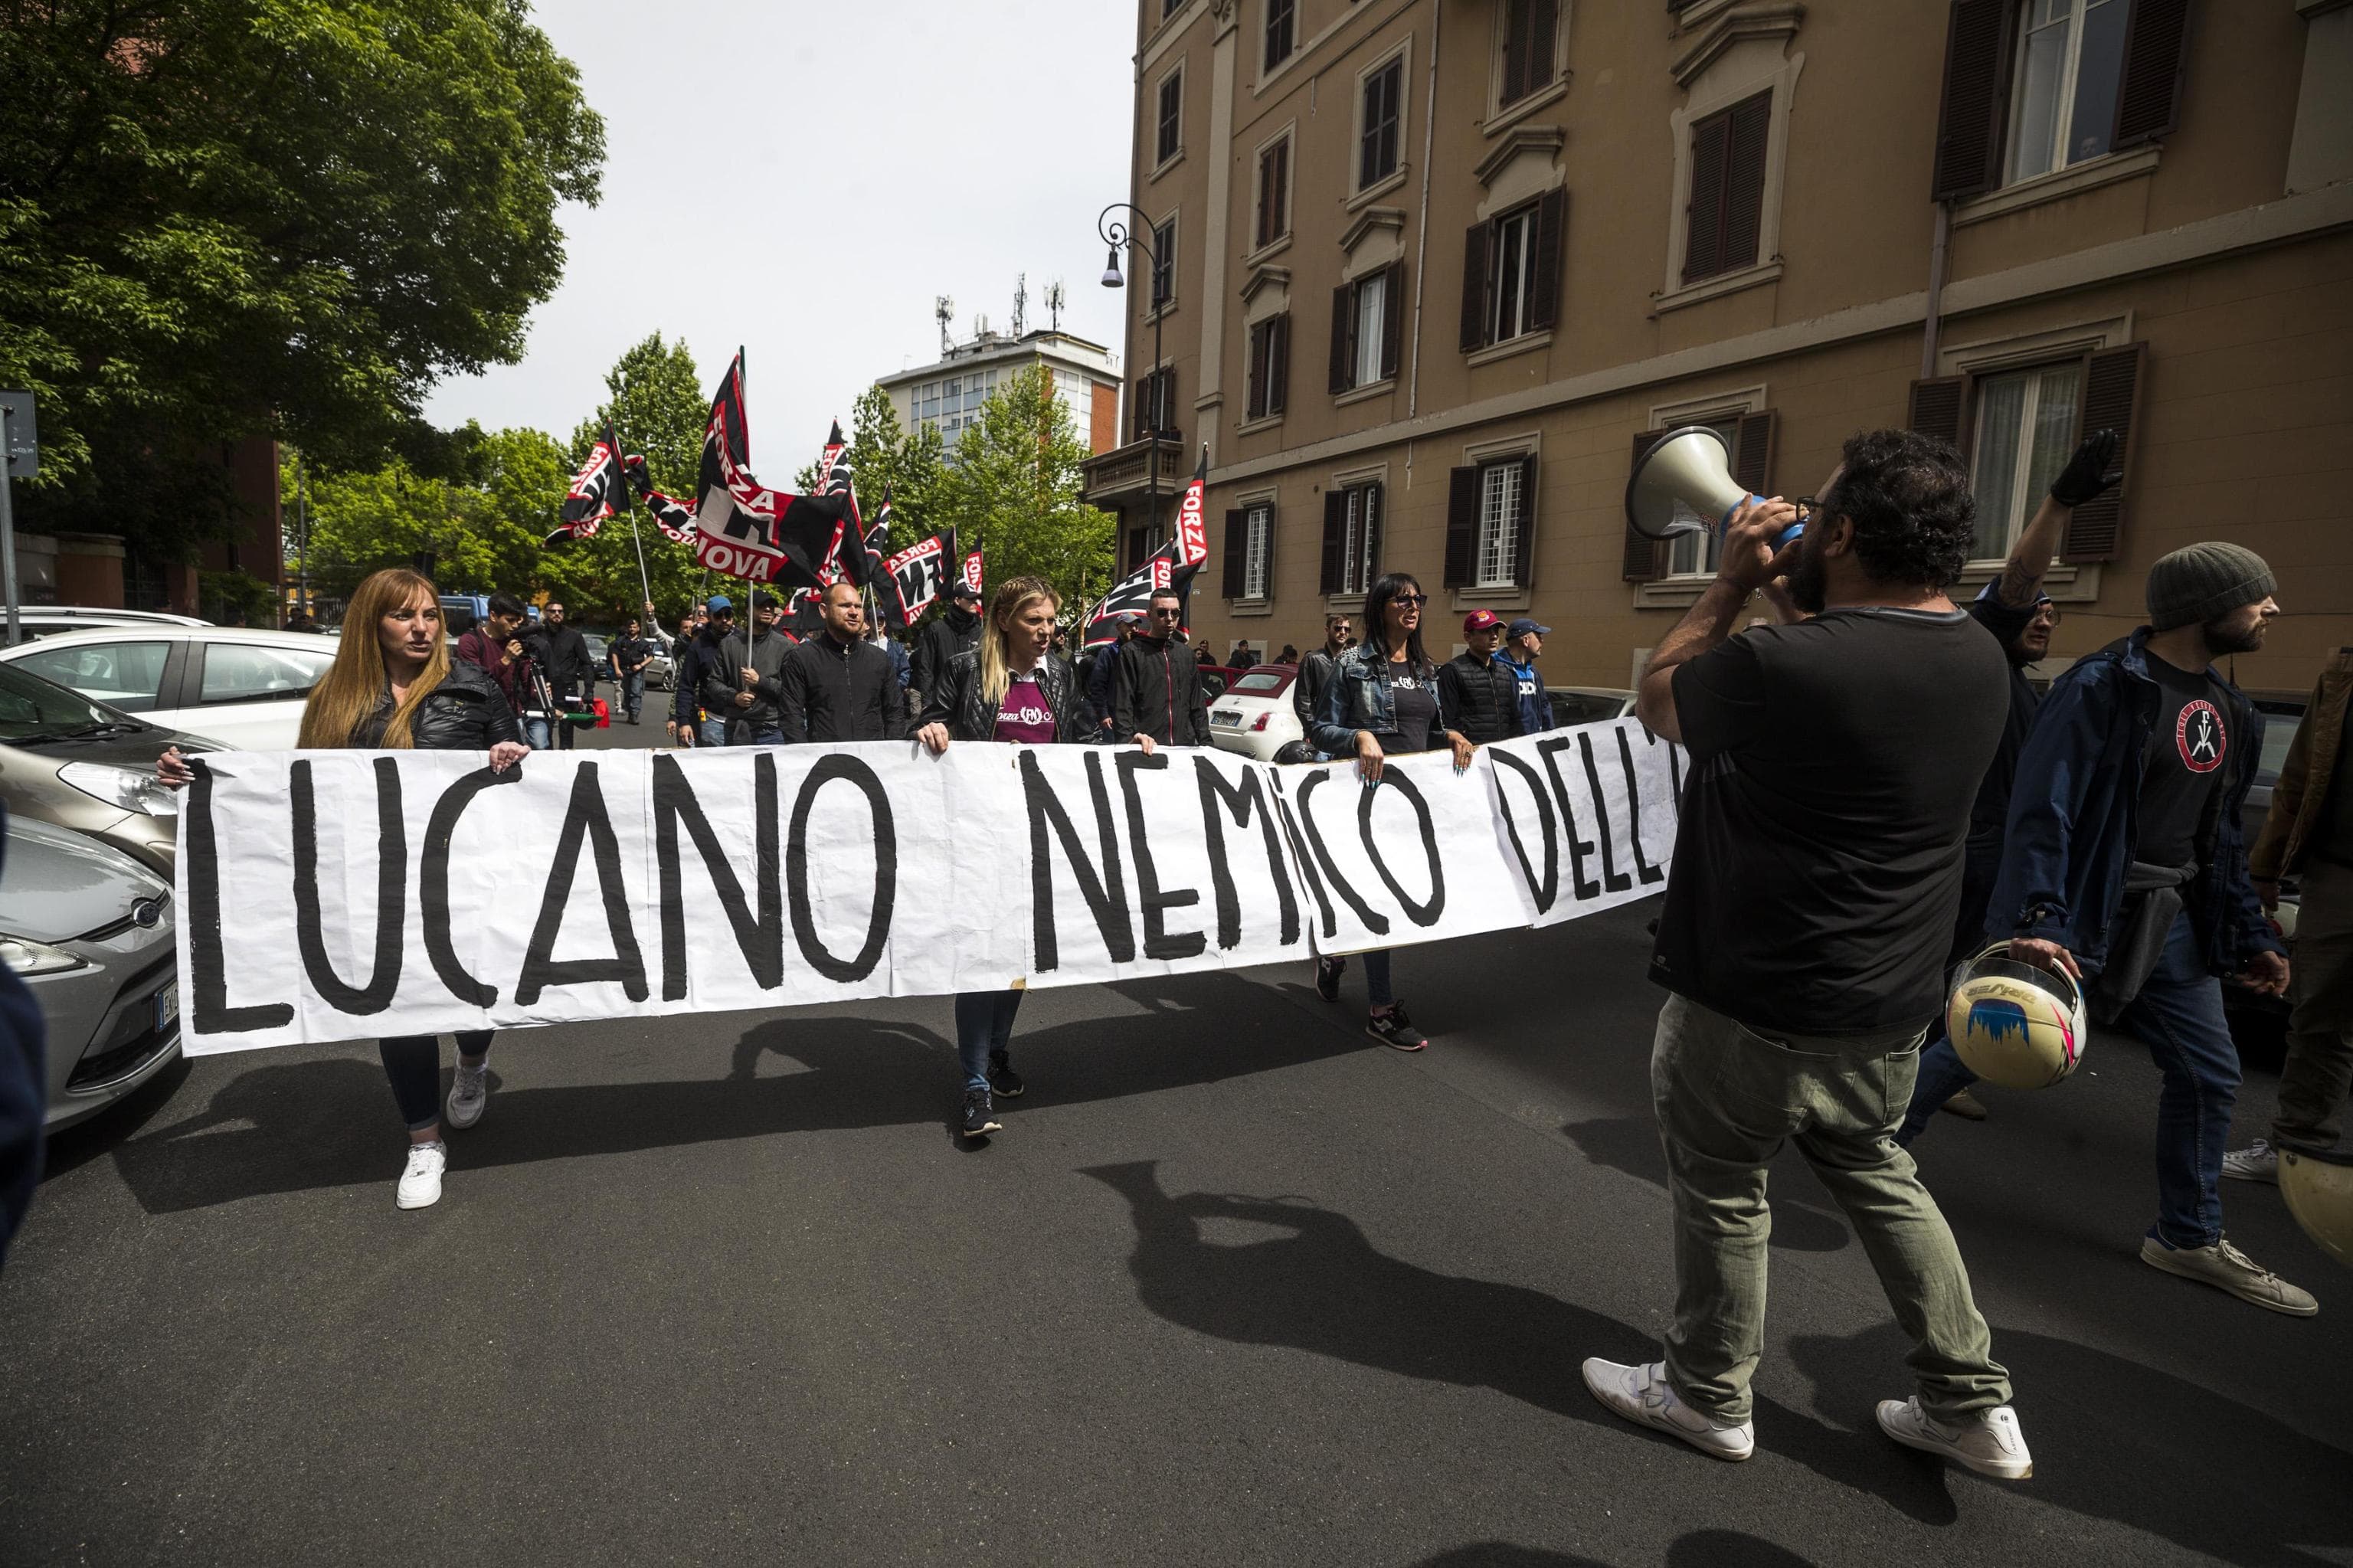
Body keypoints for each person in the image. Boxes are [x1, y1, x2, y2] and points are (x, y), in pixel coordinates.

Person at [1581, 428, 2028, 1479]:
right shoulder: (1978, 657)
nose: (1804, 519)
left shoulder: (1784, 657)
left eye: (1822, 511)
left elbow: (1662, 700)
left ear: (1849, 532)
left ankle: (1705, 1393)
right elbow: (1844, 661)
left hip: (1755, 991)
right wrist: (1793, 591)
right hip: (1890, 1000)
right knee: (1880, 1168)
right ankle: (1973, 1402)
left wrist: (1732, 581)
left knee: (1726, 1183)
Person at [1936, 544, 2309, 1312]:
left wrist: (2252, 938)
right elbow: (2045, 809)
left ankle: (2188, 1236)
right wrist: (2040, 915)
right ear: (2207, 607)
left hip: (2168, 921)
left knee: (2209, 1073)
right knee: (1986, 1046)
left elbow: (2220, 844)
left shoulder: (2230, 708)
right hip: (2079, 909)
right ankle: (1860, 1150)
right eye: (2258, 596)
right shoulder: (2103, 686)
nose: (2272, 609)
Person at [156, 568, 527, 1211]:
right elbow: (299, 788)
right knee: (398, 1003)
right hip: (375, 881)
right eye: (403, 616)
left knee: (472, 997)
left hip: (459, 874)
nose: (421, 628)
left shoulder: (474, 688)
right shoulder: (335, 698)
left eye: (431, 616)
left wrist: (510, 753)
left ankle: (471, 1061)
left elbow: (518, 760)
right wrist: (193, 779)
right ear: (371, 623)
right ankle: (423, 1140)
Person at [1892, 430, 2120, 1128]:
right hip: (1967, 849)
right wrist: (2058, 503)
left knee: (1967, 967)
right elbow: (2019, 579)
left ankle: (1931, 1066)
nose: (2046, 613)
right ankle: (1897, 1084)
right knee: (1931, 967)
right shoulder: (1985, 646)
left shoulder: (2036, 691)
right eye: (2036, 607)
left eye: (2057, 611)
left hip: (2004, 857)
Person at [916, 576, 1155, 1138]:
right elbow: (929, 724)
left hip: (1035, 840)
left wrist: (1128, 746)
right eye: (1034, 621)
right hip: (978, 839)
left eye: (1051, 620)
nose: (1047, 631)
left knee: (1019, 958)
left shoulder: (1063, 675)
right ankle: (974, 1084)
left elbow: (1076, 743)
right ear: (1005, 621)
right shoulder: (965, 669)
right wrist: (928, 729)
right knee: (980, 960)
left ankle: (997, 1052)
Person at [1306, 572, 1476, 1052]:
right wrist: (1358, 737)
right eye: (1402, 599)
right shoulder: (1353, 665)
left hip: (1413, 808)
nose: (1413, 605)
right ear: (1380, 606)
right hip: (1366, 802)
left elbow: (1428, 730)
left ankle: (1335, 956)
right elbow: (1319, 728)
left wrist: (1454, 736)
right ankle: (1381, 1011)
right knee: (1382, 904)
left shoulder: (1427, 668)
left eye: (1418, 598)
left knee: (1393, 903)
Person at [2227, 646, 2353, 1182]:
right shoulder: (2344, 669)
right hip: (2339, 872)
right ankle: (2296, 1150)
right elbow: (2300, 774)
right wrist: (2268, 866)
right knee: (2319, 1018)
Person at [777, 582, 909, 743]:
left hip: (872, 761)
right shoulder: (802, 658)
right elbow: (791, 717)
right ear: (824, 611)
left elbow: (894, 713)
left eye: (858, 606)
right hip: (824, 761)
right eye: (845, 606)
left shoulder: (880, 659)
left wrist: (890, 752)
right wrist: (806, 758)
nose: (854, 612)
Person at [1114, 590, 1212, 748]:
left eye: (1175, 613)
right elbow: (1123, 704)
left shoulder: (1186, 654)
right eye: (1162, 613)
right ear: (1149, 614)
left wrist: (1206, 744)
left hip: (1183, 749)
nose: (1169, 618)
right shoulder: (1131, 652)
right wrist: (1126, 743)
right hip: (1146, 749)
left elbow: (1197, 705)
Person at [701, 593, 792, 745]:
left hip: (772, 729)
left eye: (771, 606)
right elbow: (713, 683)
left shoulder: (786, 647)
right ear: (749, 610)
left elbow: (793, 691)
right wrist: (734, 697)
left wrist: (761, 682)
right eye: (761, 605)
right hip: (736, 727)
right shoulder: (729, 644)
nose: (768, 609)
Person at [1437, 609, 1520, 746]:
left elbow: (1515, 718)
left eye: (1496, 631)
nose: (1494, 636)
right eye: (1486, 631)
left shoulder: (1505, 671)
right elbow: (1446, 722)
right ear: (1468, 637)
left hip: (1503, 754)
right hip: (1469, 757)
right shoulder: (1451, 671)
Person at [454, 591, 532, 722]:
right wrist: (505, 660)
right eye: (510, 620)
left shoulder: (515, 640)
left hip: (511, 713)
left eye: (517, 620)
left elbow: (525, 677)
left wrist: (539, 688)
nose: (515, 626)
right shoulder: (470, 641)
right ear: (493, 616)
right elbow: (475, 682)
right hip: (480, 715)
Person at [675, 597, 736, 748]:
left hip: (743, 722)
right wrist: (683, 721)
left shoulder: (744, 642)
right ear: (710, 618)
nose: (724, 620)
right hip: (713, 720)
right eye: (718, 616)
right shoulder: (698, 647)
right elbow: (685, 686)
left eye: (728, 615)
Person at [911, 581, 983, 709]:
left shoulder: (979, 632)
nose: (975, 603)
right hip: (942, 703)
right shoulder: (937, 629)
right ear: (957, 600)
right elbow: (926, 668)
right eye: (970, 599)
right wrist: (928, 703)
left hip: (971, 705)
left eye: (976, 599)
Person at [537, 600, 596, 750]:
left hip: (568, 689)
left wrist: (589, 690)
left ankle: (565, 764)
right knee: (543, 733)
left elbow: (586, 663)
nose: (557, 614)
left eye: (560, 611)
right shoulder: (538, 635)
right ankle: (547, 761)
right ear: (545, 613)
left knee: (566, 731)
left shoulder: (574, 636)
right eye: (553, 611)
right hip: (544, 688)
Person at [1294, 614, 1353, 753]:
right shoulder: (1312, 659)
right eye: (1338, 628)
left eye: (1347, 629)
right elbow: (1302, 699)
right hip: (1321, 732)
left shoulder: (1353, 661)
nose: (1343, 632)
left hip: (1346, 733)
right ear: (1327, 630)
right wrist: (1312, 729)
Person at [1086, 612, 1144, 735]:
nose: (1134, 629)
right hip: (1114, 719)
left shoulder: (1143, 653)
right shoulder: (1108, 653)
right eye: (1129, 625)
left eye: (1136, 626)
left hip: (1139, 718)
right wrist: (1103, 714)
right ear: (1118, 627)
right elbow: (1098, 686)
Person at [1497, 618, 1553, 737]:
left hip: (1532, 743)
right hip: (1508, 745)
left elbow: (1544, 705)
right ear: (1526, 641)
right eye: (1538, 637)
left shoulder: (1534, 673)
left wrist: (1550, 734)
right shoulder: (1496, 670)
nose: (1542, 641)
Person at [608, 617, 653, 725]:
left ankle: (634, 715)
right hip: (625, 670)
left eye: (634, 627)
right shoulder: (621, 641)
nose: (632, 629)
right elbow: (614, 654)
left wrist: (641, 665)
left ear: (638, 628)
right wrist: (617, 669)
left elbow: (651, 656)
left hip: (637, 671)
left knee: (636, 692)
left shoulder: (643, 642)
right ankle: (629, 712)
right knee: (627, 693)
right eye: (630, 627)